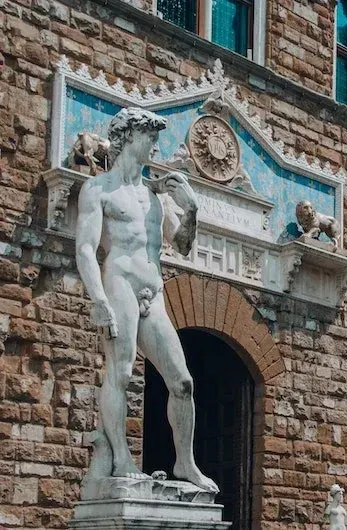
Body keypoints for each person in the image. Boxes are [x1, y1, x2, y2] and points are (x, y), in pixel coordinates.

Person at [75, 107, 217, 492]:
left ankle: (185, 463)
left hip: (154, 293)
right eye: (149, 137)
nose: (154, 145)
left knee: (182, 381)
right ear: (127, 138)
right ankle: (121, 458)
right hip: (119, 283)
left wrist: (192, 208)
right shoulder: (99, 189)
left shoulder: (156, 197)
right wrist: (98, 299)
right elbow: (86, 249)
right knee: (120, 373)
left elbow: (183, 246)